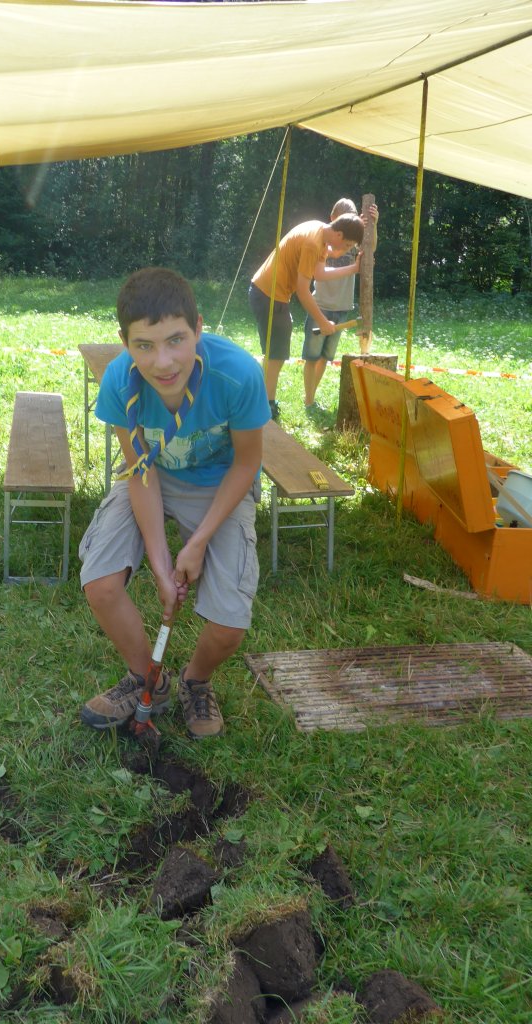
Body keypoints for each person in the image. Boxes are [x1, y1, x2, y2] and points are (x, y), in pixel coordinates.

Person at [79, 267, 271, 740]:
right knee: (100, 584)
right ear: (125, 343)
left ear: (198, 328)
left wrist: (198, 542)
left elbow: (247, 463)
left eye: (176, 340)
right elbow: (140, 471)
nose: (163, 362)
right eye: (144, 345)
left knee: (228, 625)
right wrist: (161, 564)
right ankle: (147, 679)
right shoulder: (119, 383)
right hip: (152, 477)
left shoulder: (238, 374)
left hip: (220, 484)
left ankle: (195, 681)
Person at [248, 212, 364, 420]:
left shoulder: (319, 231)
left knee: (276, 352)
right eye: (347, 245)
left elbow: (319, 273)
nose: (347, 250)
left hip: (269, 293)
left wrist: (353, 268)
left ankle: (264, 401)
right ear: (338, 234)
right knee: (276, 354)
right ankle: (266, 406)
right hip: (269, 294)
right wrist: (322, 321)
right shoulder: (313, 244)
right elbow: (303, 291)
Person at [302, 198, 379, 413]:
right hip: (320, 305)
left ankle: (311, 395)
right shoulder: (323, 241)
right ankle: (309, 400)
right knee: (312, 356)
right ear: (333, 219)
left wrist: (373, 225)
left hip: (342, 307)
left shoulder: (353, 242)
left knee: (326, 357)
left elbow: (370, 248)